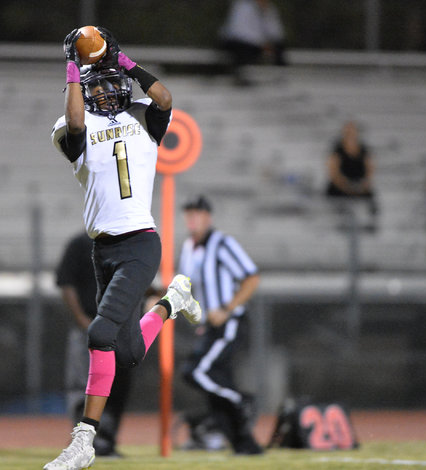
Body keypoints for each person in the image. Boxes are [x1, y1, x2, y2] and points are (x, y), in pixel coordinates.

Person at [45, 26, 202, 470]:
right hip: (104, 252)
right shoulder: (73, 126)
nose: (113, 91)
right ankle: (173, 300)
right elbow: (76, 122)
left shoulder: (143, 115)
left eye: (118, 82)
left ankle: (84, 440)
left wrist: (127, 60)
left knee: (99, 333)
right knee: (127, 352)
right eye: (104, 84)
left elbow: (166, 99)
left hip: (140, 244)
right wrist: (74, 66)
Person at [178, 195, 263, 455]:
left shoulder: (222, 243)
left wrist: (227, 308)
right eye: (189, 214)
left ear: (208, 217)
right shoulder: (188, 248)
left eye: (198, 214)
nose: (193, 219)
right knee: (215, 386)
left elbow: (251, 278)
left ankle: (241, 400)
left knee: (196, 371)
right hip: (210, 327)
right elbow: (186, 285)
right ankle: (244, 444)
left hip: (230, 323)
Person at [56, 231, 134, 458]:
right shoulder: (80, 244)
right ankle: (84, 442)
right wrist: (82, 320)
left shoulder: (125, 243)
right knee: (83, 385)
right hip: (89, 327)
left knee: (117, 387)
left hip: (118, 328)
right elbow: (66, 283)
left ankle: (106, 442)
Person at [325, 120, 378, 230]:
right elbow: (333, 171)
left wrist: (364, 184)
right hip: (340, 185)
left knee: (371, 198)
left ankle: (370, 224)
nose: (350, 133)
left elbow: (370, 169)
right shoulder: (337, 148)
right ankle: (336, 223)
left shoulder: (363, 148)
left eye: (353, 131)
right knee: (331, 194)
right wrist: (345, 185)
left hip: (359, 184)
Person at [219, 0, 286, 86]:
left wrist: (269, 44)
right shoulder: (243, 6)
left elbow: (276, 32)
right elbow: (240, 32)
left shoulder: (270, 9)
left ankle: (280, 78)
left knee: (279, 47)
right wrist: (262, 44)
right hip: (237, 42)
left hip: (256, 44)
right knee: (242, 49)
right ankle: (241, 78)